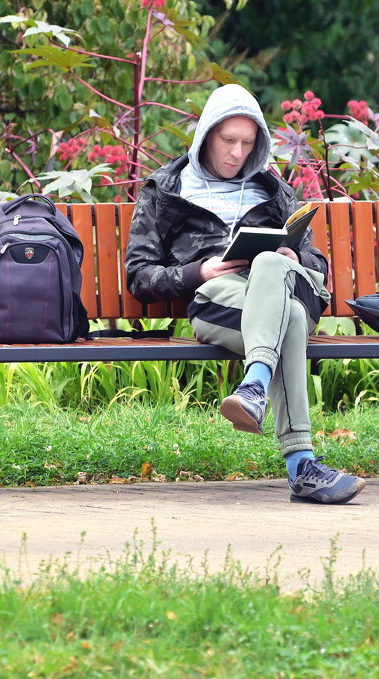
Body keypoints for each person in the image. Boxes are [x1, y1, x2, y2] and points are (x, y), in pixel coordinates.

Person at [125, 83, 364, 504]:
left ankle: (253, 387)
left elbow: (318, 266)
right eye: (228, 140)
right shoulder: (166, 191)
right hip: (220, 301)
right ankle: (301, 466)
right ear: (206, 136)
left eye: (247, 143)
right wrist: (200, 270)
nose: (237, 153)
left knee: (271, 263)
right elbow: (140, 277)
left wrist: (294, 256)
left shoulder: (272, 190)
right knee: (286, 320)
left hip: (285, 285)